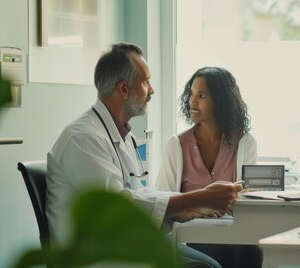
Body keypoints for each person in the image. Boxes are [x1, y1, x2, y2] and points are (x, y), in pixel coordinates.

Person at [46, 43, 242, 268]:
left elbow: (138, 193)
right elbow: (117, 209)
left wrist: (179, 212)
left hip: (125, 245)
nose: (152, 90)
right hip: (99, 257)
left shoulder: (121, 135)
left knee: (215, 262)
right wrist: (202, 197)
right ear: (123, 89)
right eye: (146, 82)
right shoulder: (83, 139)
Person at [156, 66, 262, 268]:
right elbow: (162, 203)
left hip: (233, 232)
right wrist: (190, 211)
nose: (192, 102)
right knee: (224, 253)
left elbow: (247, 199)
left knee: (251, 249)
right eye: (192, 94)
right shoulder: (176, 145)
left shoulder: (246, 143)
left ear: (222, 101)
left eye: (201, 95)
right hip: (190, 236)